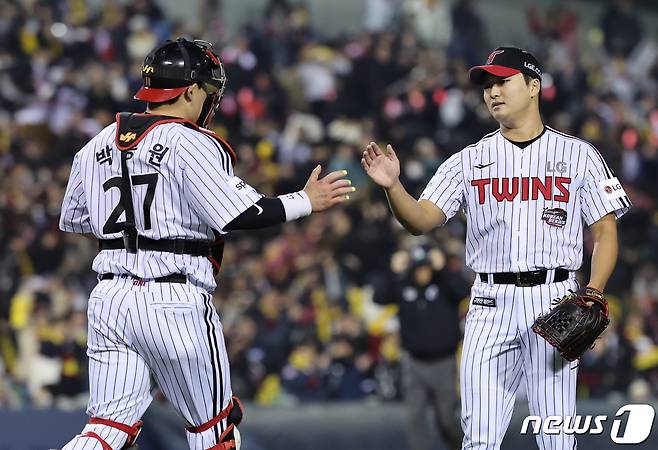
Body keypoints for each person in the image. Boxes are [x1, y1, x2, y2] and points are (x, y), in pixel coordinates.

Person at [58, 37, 354, 450]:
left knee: (107, 428)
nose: (211, 101)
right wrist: (305, 200)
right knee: (213, 429)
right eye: (209, 91)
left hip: (109, 296)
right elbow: (237, 214)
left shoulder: (96, 144)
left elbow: (75, 219)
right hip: (173, 296)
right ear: (192, 90)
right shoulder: (190, 140)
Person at [362, 46, 631, 449]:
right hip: (489, 302)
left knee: (557, 439)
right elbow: (419, 221)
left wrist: (593, 291)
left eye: (503, 81)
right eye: (487, 85)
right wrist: (393, 187)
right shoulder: (468, 160)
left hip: (555, 300)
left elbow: (606, 231)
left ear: (534, 86)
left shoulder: (579, 155)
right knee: (480, 439)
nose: (492, 92)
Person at [372, 244, 469, 450]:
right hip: (413, 362)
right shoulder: (403, 285)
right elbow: (379, 297)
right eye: (418, 268)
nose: (421, 273)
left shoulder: (443, 284)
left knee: (446, 419)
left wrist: (443, 269)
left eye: (425, 268)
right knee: (415, 419)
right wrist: (393, 272)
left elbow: (463, 290)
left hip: (443, 362)